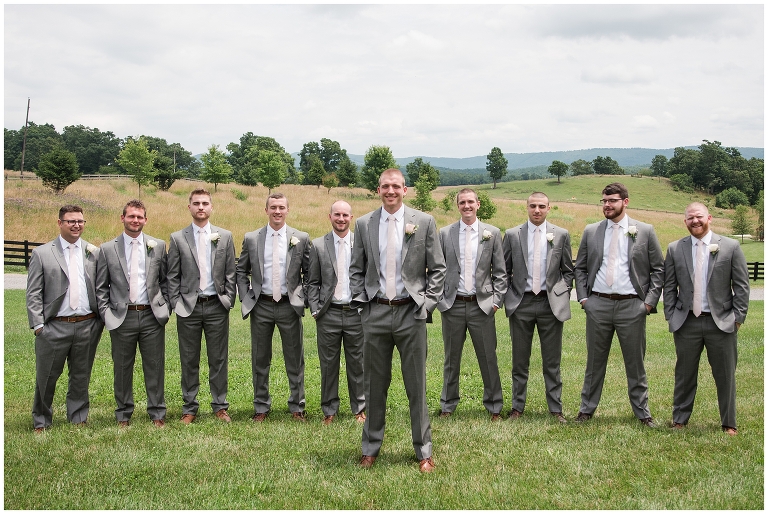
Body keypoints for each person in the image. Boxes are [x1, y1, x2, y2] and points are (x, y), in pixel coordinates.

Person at [349, 168, 446, 473]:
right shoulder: (364, 223)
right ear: (378, 189)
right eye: (385, 186)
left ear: (405, 190)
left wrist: (427, 304)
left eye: (395, 186)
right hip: (375, 312)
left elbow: (438, 269)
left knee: (416, 385)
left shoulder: (424, 222)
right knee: (374, 385)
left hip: (411, 313)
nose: (390, 191)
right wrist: (362, 304)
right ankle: (370, 448)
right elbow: (356, 269)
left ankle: (424, 452)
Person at [574, 182, 663, 427]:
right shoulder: (591, 231)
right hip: (598, 305)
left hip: (632, 306)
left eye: (612, 200)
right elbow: (580, 268)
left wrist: (648, 303)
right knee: (594, 363)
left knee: (635, 363)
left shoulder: (644, 231)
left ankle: (642, 412)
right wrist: (584, 299)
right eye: (604, 201)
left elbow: (658, 269)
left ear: (625, 202)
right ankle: (586, 410)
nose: (607, 205)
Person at [664, 202, 749, 435]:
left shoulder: (730, 246)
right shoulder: (675, 248)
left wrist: (737, 318)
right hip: (686, 322)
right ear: (685, 221)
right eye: (690, 218)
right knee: (684, 374)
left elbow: (742, 286)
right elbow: (669, 286)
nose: (695, 221)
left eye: (699, 216)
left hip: (721, 322)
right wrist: (671, 315)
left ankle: (729, 422)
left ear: (709, 218)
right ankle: (680, 419)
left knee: (725, 375)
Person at [27, 205, 105, 433]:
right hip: (54, 326)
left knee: (81, 375)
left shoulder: (93, 252)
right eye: (71, 221)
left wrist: (99, 321)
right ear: (60, 223)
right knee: (47, 376)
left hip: (87, 324)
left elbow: (101, 287)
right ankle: (42, 420)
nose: (76, 225)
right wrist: (39, 325)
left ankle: (78, 417)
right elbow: (33, 292)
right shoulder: (42, 253)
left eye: (80, 221)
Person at [236, 193, 311, 422]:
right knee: (260, 358)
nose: (277, 211)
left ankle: (297, 406)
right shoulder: (252, 238)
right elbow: (241, 270)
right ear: (266, 210)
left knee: (295, 358)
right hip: (261, 305)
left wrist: (302, 296)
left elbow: (309, 272)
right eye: (273, 207)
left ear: (287, 210)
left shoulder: (300, 238)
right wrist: (246, 296)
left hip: (289, 306)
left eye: (281, 207)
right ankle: (261, 406)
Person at [96, 200, 170, 428]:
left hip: (151, 315)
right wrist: (107, 314)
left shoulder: (158, 245)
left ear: (145, 220)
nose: (135, 220)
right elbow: (101, 287)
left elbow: (166, 280)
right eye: (131, 216)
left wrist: (165, 307)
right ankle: (123, 413)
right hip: (122, 317)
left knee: (155, 366)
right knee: (122, 367)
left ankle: (157, 412)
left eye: (139, 217)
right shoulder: (108, 249)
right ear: (123, 218)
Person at [503, 192, 573, 424]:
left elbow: (568, 271)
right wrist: (510, 295)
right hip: (521, 303)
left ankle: (555, 409)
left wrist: (561, 293)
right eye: (533, 206)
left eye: (542, 206)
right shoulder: (512, 235)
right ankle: (517, 407)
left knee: (552, 361)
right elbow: (504, 270)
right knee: (519, 361)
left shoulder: (560, 235)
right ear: (526, 207)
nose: (537, 210)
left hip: (550, 304)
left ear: (549, 208)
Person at [167, 189, 236, 424]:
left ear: (211, 207)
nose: (201, 207)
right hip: (189, 307)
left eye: (205, 203)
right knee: (189, 359)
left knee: (218, 359)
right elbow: (172, 274)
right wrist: (176, 302)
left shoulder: (224, 236)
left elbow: (230, 271)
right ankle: (189, 408)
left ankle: (220, 406)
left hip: (216, 305)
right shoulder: (178, 238)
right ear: (189, 207)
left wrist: (228, 298)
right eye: (196, 203)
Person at [437, 188, 506, 420]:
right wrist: (441, 300)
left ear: (478, 204)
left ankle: (494, 406)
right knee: (451, 359)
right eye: (462, 202)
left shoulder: (492, 233)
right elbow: (437, 269)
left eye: (470, 202)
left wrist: (496, 302)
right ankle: (447, 405)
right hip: (452, 305)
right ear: (457, 206)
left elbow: (500, 272)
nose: (466, 206)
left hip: (482, 306)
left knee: (488, 357)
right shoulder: (445, 233)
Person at [307, 200, 366, 425]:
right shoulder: (318, 245)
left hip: (356, 313)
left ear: (351, 217)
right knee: (328, 364)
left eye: (345, 215)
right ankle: (329, 410)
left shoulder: (361, 244)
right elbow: (312, 281)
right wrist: (315, 308)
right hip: (328, 313)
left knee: (357, 363)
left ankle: (359, 408)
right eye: (337, 214)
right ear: (329, 216)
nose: (341, 219)